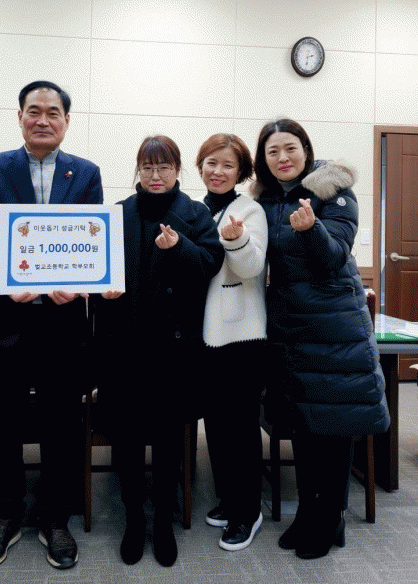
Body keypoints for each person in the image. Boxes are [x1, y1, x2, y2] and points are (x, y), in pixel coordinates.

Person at [0, 80, 102, 571]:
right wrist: (6, 276)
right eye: (34, 111)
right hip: (7, 320)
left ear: (67, 120)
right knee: (5, 424)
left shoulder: (86, 173)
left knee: (62, 424)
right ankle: (6, 515)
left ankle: (54, 516)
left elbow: (92, 238)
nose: (43, 120)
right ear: (19, 116)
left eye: (53, 112)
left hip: (63, 323)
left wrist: (78, 282)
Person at [252, 118, 390, 559]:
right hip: (290, 328)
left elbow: (334, 257)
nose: (283, 158)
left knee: (334, 427)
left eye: (290, 148)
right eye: (273, 151)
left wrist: (312, 229)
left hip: (332, 326)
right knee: (305, 427)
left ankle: (330, 518)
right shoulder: (266, 200)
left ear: (306, 150)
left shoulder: (334, 190)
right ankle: (310, 513)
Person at [95, 136, 221, 567]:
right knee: (127, 440)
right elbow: (95, 269)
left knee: (169, 442)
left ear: (177, 171)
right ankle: (134, 519)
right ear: (138, 170)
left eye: (163, 167)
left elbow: (210, 264)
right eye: (147, 167)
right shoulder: (117, 214)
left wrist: (179, 246)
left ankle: (164, 521)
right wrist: (102, 290)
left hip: (174, 350)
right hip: (125, 347)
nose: (155, 176)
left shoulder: (195, 213)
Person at [195, 134, 268, 551]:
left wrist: (236, 239)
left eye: (227, 165)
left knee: (240, 428)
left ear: (241, 171)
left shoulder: (249, 209)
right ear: (200, 166)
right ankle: (228, 498)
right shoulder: (196, 208)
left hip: (240, 335)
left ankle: (248, 511)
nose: (218, 171)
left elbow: (252, 266)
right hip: (204, 337)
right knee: (217, 425)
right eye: (211, 163)